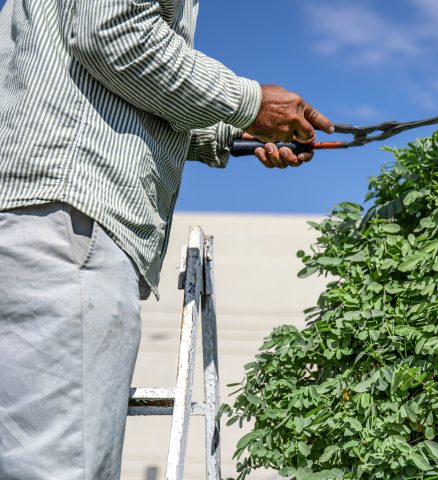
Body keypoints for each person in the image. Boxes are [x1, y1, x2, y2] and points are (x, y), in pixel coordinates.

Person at [0, 1, 333, 479]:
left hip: (36, 217)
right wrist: (252, 103)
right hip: (70, 221)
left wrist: (238, 128)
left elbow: (121, 80)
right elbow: (113, 33)